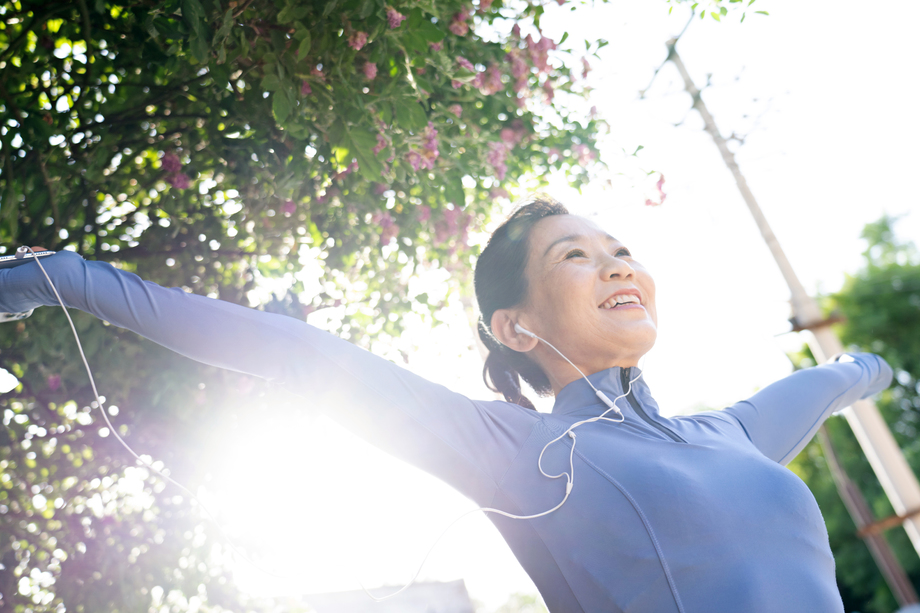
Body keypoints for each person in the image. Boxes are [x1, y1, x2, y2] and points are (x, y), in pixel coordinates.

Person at [0, 197, 892, 613]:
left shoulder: (731, 432)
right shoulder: (512, 447)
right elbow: (296, 354)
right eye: (574, 257)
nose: (618, 263)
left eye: (620, 247)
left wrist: (882, 367)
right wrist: (75, 282)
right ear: (514, 324)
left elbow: (838, 376)